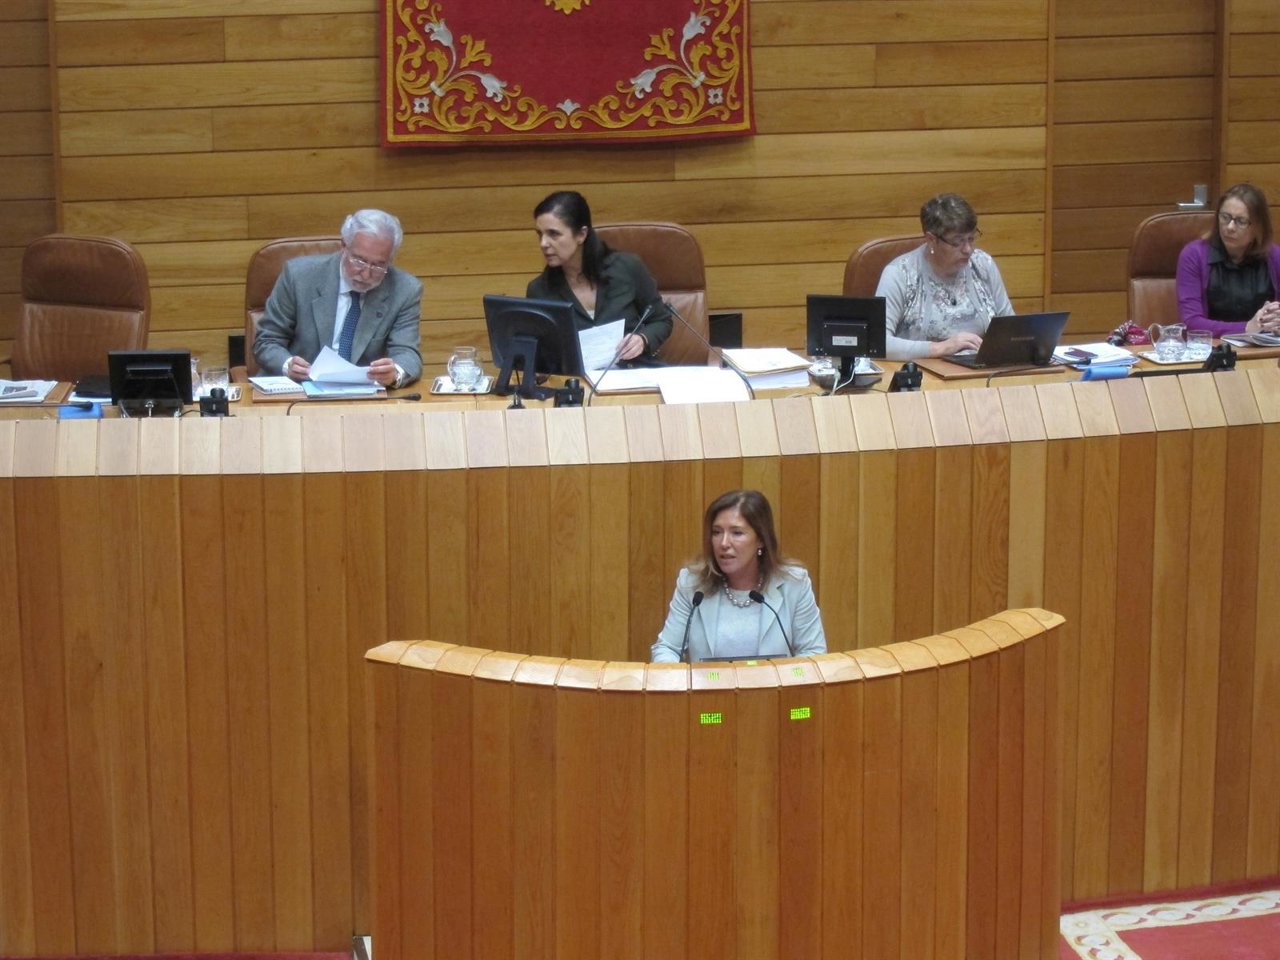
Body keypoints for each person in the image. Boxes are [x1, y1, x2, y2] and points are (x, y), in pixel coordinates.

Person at [651, 490, 826, 663]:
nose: (724, 543)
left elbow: (813, 652)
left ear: (761, 540)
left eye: (737, 533)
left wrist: (786, 681)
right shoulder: (693, 584)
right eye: (717, 532)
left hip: (776, 690)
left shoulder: (793, 583)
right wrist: (675, 679)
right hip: (708, 689)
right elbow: (667, 648)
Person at [254, 208, 423, 387]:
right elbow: (267, 341)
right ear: (344, 246)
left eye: (379, 265)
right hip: (299, 390)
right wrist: (287, 365)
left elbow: (408, 354)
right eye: (359, 261)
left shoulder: (405, 290)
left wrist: (395, 372)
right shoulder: (298, 277)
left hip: (363, 397)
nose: (366, 274)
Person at [526, 190, 672, 361]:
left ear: (581, 234)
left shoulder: (627, 267)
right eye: (540, 235)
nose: (543, 243)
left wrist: (642, 339)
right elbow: (539, 353)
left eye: (553, 234)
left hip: (633, 374)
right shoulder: (539, 290)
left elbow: (661, 321)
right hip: (577, 382)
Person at [875, 192, 1015, 360]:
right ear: (931, 240)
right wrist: (942, 348)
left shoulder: (983, 264)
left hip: (978, 371)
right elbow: (878, 344)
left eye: (971, 239)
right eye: (957, 242)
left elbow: (1011, 329)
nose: (968, 249)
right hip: (921, 375)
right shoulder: (900, 274)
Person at [1176, 182, 1280, 336]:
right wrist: (1246, 328)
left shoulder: (1275, 257)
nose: (1230, 227)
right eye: (1225, 217)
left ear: (1258, 226)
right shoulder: (1194, 255)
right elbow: (1191, 322)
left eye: (1241, 221)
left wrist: (1276, 318)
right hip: (1211, 350)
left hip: (1266, 350)